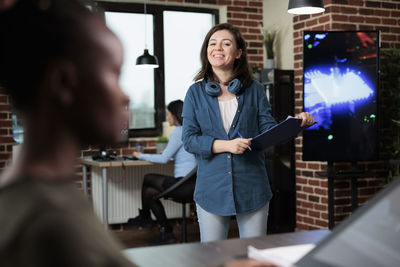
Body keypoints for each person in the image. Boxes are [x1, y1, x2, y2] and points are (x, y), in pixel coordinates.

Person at [0, 0, 137, 266]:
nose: (126, 96)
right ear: (63, 82)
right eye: (115, 74)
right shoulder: (52, 226)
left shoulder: (29, 197)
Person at [182, 23, 314, 242]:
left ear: (238, 53)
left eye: (226, 44)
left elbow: (269, 131)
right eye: (212, 44)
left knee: (254, 255)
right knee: (212, 257)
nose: (218, 48)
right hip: (211, 189)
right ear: (206, 51)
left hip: (253, 187)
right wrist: (227, 145)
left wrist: (297, 126)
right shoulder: (194, 93)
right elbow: (189, 140)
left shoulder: (254, 90)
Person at [129, 100, 196, 245]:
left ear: (175, 115)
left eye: (168, 114)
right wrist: (167, 152)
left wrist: (140, 155)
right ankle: (166, 232)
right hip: (193, 185)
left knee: (148, 178)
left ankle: (146, 218)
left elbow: (164, 159)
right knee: (150, 193)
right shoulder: (191, 129)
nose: (168, 118)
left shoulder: (178, 131)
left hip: (182, 186)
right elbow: (182, 153)